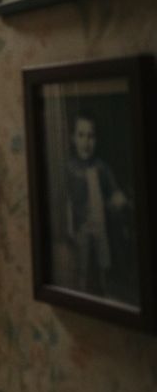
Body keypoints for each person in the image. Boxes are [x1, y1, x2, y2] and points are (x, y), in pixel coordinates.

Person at [56, 112, 131, 297]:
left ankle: (105, 291)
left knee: (103, 261)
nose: (86, 142)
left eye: (90, 136)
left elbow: (114, 191)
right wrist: (70, 226)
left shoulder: (102, 167)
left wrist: (119, 198)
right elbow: (67, 201)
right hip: (82, 226)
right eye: (81, 135)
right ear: (73, 138)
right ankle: (82, 292)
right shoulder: (70, 168)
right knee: (82, 263)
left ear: (96, 139)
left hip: (101, 225)